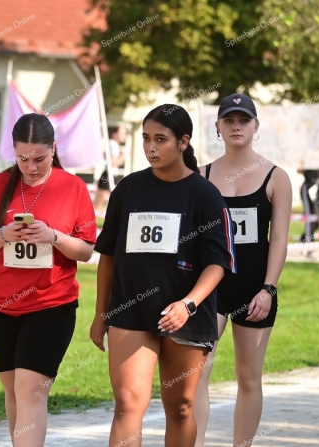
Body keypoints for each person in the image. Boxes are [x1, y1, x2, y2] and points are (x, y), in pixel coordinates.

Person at [92, 104, 236, 447]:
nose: (151, 147)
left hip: (186, 315)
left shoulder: (205, 195)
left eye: (161, 139)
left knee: (181, 407)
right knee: (127, 404)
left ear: (183, 142)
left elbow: (218, 263)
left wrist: (188, 304)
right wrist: (100, 314)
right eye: (146, 139)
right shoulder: (128, 189)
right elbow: (107, 256)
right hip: (130, 311)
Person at [0, 113, 97, 447]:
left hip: (51, 304)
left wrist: (54, 236)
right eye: (23, 159)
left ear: (53, 148)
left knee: (30, 390)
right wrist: (4, 234)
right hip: (0, 305)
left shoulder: (73, 187)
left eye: (39, 159)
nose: (31, 167)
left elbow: (85, 251)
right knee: (14, 392)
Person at [194, 93, 293, 447]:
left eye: (244, 120)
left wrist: (268, 289)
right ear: (218, 127)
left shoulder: (276, 177)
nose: (236, 126)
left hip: (254, 289)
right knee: (196, 374)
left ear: (255, 126)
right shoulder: (201, 176)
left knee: (248, 377)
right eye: (229, 120)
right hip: (212, 286)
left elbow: (279, 239)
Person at [93, 124, 128, 211]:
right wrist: (123, 156)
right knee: (97, 205)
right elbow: (112, 163)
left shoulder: (113, 144)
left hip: (112, 175)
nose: (125, 136)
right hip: (109, 175)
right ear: (114, 134)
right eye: (122, 133)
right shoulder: (112, 144)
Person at [298, 168, 319, 242]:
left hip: (318, 196)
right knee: (310, 217)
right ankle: (308, 242)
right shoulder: (311, 167)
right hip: (307, 192)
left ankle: (303, 240)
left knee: (317, 221)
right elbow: (299, 170)